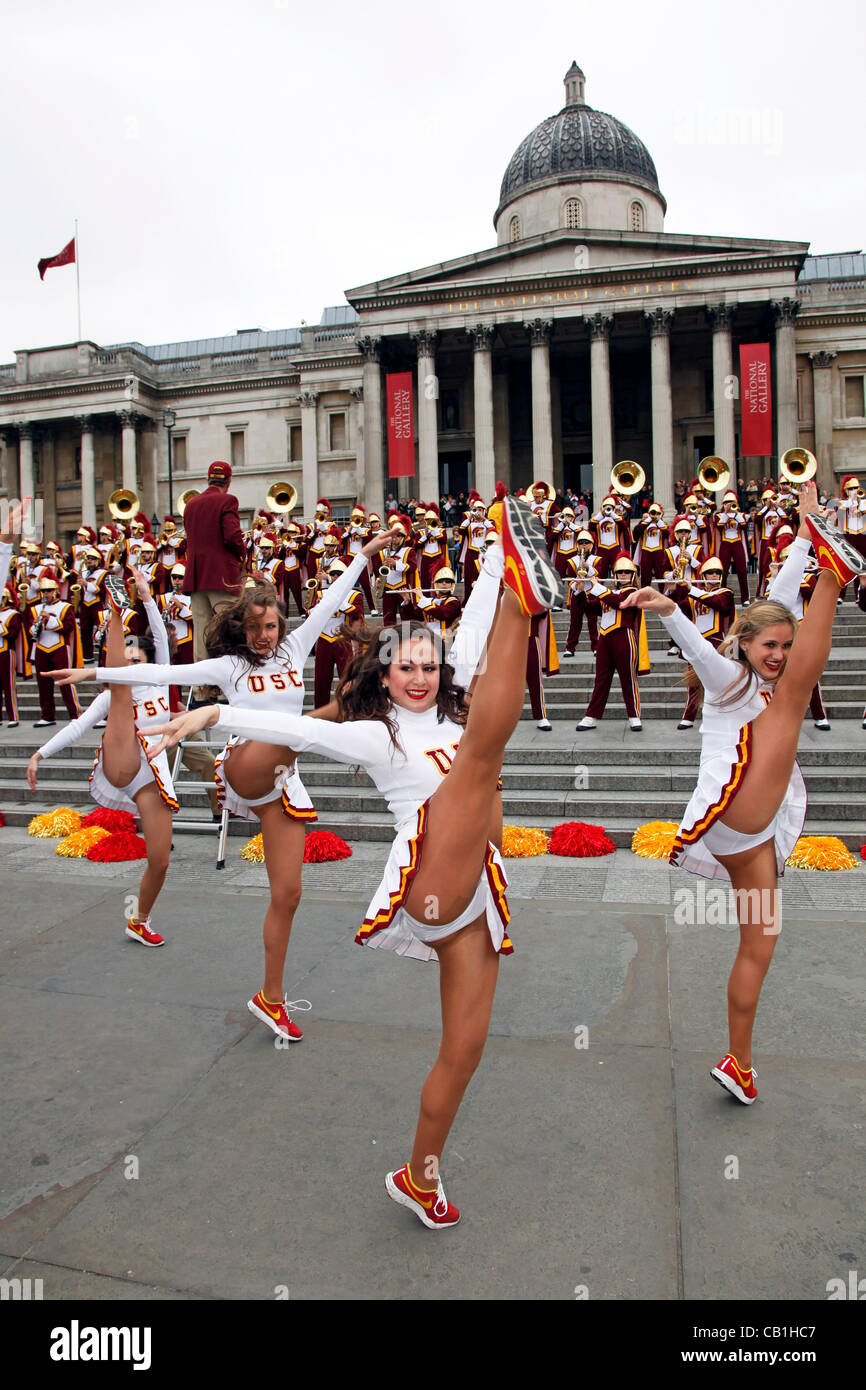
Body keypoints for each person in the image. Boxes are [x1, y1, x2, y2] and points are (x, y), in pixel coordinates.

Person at [145, 498, 564, 1229]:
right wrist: (215, 714)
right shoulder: (378, 734)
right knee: (480, 758)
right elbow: (294, 730)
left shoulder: (453, 705)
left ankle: (419, 1175)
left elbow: (468, 628)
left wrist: (499, 545)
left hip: (478, 895)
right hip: (427, 881)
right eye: (405, 667)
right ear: (384, 675)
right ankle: (525, 607)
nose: (420, 677)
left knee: (464, 1050)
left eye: (429, 666)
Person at [56, 530, 400, 1042]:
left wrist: (363, 556)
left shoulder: (294, 647)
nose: (265, 635)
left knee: (288, 894)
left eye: (272, 626)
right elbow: (163, 672)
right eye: (256, 627)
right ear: (241, 627)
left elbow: (330, 601)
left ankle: (271, 998)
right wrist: (95, 672)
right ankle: (345, 706)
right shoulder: (229, 665)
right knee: (320, 718)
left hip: (283, 779)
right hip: (244, 763)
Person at [620, 482, 866, 1104]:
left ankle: (740, 1061)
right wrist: (666, 608)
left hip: (750, 836)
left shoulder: (767, 654)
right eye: (769, 645)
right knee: (792, 701)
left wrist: (804, 533)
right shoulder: (729, 677)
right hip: (736, 805)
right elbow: (699, 648)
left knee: (760, 942)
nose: (778, 654)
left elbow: (778, 596)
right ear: (745, 644)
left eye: (785, 645)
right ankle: (833, 578)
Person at [30, 569, 178, 946]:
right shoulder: (111, 694)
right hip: (119, 759)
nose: (131, 662)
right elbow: (78, 727)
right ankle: (114, 611)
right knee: (119, 692)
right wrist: (40, 754)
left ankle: (139, 921)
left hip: (151, 778)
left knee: (160, 860)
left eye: (135, 657)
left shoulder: (160, 680)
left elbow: (161, 638)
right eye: (124, 658)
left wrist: (147, 596)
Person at [181, 461, 247, 692]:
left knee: (202, 634)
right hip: (222, 576)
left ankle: (202, 690)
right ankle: (229, 688)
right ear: (228, 482)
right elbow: (232, 536)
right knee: (229, 630)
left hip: (197, 577)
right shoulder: (227, 500)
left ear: (208, 479)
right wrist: (243, 553)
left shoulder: (191, 504)